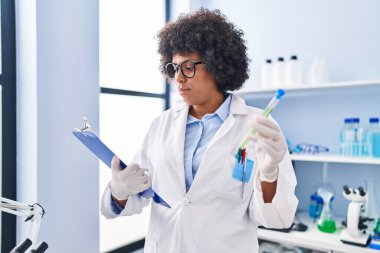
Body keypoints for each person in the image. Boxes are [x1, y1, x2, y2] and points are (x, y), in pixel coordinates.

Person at [101, 8, 298, 253]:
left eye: (189, 67)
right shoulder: (161, 125)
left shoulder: (256, 125)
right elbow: (132, 199)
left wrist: (270, 174)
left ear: (217, 64)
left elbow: (277, 218)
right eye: (174, 69)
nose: (179, 79)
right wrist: (119, 190)